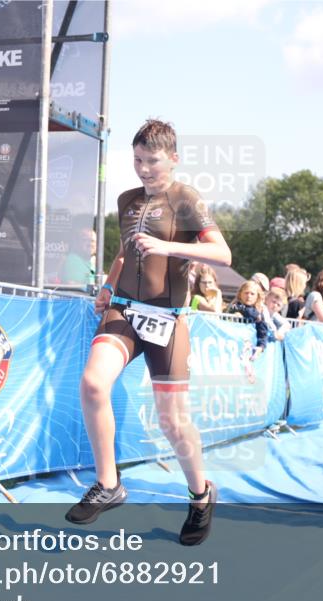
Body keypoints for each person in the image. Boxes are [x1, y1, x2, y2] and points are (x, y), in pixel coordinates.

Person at [66, 119, 231, 547]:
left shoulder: (186, 199)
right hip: (124, 311)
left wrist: (169, 247)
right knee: (92, 383)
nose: (143, 169)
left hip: (167, 319)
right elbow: (125, 251)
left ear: (173, 159)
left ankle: (200, 495)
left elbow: (222, 253)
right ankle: (109, 484)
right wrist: (107, 284)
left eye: (152, 161)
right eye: (137, 160)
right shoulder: (126, 200)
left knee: (173, 423)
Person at [228, 280, 269, 353]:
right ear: (240, 294)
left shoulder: (259, 311)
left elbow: (263, 331)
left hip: (249, 347)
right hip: (232, 345)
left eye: (252, 294)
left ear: (257, 296)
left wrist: (261, 346)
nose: (249, 296)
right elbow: (244, 310)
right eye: (246, 293)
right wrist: (256, 316)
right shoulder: (235, 306)